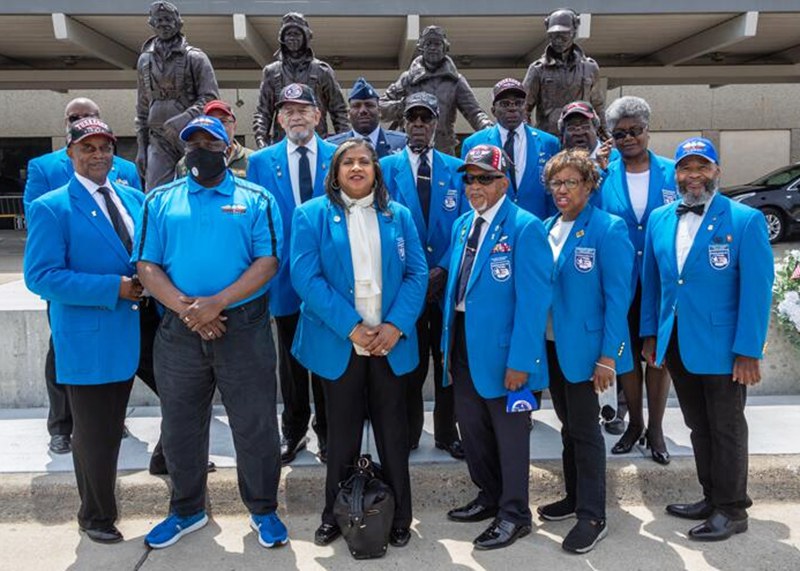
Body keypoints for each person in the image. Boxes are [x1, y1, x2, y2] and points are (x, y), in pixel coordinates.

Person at [134, 116, 287, 549]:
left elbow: (268, 262)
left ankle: (263, 508)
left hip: (243, 328)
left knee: (255, 424)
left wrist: (217, 304)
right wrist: (191, 311)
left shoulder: (256, 198)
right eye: (193, 141)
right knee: (181, 424)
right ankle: (187, 510)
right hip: (180, 330)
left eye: (211, 140)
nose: (201, 147)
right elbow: (147, 264)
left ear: (228, 147)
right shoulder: (159, 200)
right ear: (184, 150)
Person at [290, 139, 428, 548]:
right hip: (340, 342)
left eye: (364, 162)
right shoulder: (310, 215)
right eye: (347, 162)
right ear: (334, 173)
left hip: (390, 343)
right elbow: (306, 278)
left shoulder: (398, 215)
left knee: (392, 433)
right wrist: (351, 328)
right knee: (341, 435)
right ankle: (336, 514)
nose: (356, 168)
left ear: (376, 171)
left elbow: (417, 275)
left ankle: (400, 515)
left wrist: (396, 326)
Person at [641, 137, 773, 541]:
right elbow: (654, 283)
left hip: (724, 347)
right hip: (677, 341)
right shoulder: (661, 218)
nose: (693, 175)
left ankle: (733, 510)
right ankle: (711, 496)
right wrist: (650, 334)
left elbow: (757, 289)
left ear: (717, 171)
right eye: (685, 167)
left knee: (726, 426)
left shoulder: (744, 220)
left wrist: (748, 350)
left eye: (702, 167)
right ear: (676, 173)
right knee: (698, 425)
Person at [24, 118, 146, 544]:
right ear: (71, 153)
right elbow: (41, 276)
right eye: (88, 148)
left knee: (187, 399)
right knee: (97, 436)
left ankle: (170, 467)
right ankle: (95, 515)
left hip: (142, 328)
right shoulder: (51, 206)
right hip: (91, 336)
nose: (98, 155)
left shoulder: (134, 198)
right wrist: (115, 288)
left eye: (105, 147)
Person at [441, 144, 551, 551]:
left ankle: (515, 513)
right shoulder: (462, 225)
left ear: (504, 181)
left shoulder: (525, 227)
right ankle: (489, 494)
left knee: (509, 437)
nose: (475, 185)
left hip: (507, 353)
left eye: (485, 177)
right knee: (471, 430)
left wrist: (522, 360)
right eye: (469, 178)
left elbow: (534, 301)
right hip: (463, 344)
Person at [537, 148, 634, 554]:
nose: (562, 190)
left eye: (570, 182)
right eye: (556, 183)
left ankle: (593, 515)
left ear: (590, 185)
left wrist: (608, 356)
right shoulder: (546, 227)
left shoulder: (608, 229)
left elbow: (618, 298)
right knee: (568, 425)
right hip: (553, 347)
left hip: (590, 352)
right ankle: (574, 496)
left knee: (586, 431)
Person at [248, 83, 337, 464]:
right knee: (291, 359)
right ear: (279, 119)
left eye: (304, 109)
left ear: (318, 116)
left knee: (331, 357)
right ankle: (295, 429)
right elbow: (257, 220)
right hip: (283, 277)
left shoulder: (340, 156)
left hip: (332, 276)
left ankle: (331, 432)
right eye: (288, 110)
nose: (296, 116)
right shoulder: (261, 162)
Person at [380, 92, 465, 458]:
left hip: (446, 283)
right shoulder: (385, 168)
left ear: (436, 124)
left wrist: (443, 267)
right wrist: (417, 273)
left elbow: (464, 224)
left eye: (426, 119)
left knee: (447, 360)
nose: (418, 125)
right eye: (412, 118)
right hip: (405, 285)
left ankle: (447, 433)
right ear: (403, 123)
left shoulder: (455, 168)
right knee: (408, 364)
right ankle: (409, 432)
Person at [599, 96, 677, 464]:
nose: (628, 138)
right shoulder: (603, 175)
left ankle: (657, 429)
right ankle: (634, 424)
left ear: (648, 130)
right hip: (620, 281)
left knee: (657, 355)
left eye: (635, 131)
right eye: (619, 133)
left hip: (661, 280)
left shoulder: (674, 171)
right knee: (625, 353)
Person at [135, 1, 219, 191]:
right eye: (158, 20)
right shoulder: (144, 60)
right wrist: (141, 147)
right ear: (151, 24)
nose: (163, 24)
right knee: (155, 191)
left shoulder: (196, 58)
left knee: (201, 185)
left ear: (178, 23)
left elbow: (210, 99)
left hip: (192, 136)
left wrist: (182, 120)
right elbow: (141, 108)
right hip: (158, 138)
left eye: (167, 20)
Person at [380, 26, 492, 156]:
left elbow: (474, 113)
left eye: (437, 43)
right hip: (411, 147)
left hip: (443, 149)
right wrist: (402, 106)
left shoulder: (456, 81)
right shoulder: (408, 78)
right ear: (421, 48)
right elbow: (381, 108)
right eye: (428, 43)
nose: (433, 47)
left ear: (445, 48)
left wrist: (489, 130)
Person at [461, 78, 560, 219]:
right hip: (492, 226)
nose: (512, 108)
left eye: (518, 103)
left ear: (525, 108)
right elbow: (467, 191)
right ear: (493, 110)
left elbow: (555, 190)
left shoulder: (549, 143)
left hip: (538, 226)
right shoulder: (473, 144)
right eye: (505, 103)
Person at [253, 12, 349, 148]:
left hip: (318, 146)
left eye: (297, 34)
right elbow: (263, 112)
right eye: (288, 34)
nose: (292, 38)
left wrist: (343, 144)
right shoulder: (272, 72)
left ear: (306, 37)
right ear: (282, 38)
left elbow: (339, 111)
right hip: (282, 147)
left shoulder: (322, 70)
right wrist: (261, 141)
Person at [523, 9, 606, 137]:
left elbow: (598, 105)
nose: (558, 40)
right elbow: (524, 107)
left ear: (573, 32)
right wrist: (529, 136)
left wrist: (605, 132)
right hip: (550, 139)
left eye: (564, 35)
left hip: (581, 137)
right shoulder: (538, 69)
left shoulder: (590, 67)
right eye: (554, 35)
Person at [327, 77, 407, 158]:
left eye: (369, 105)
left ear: (379, 111)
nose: (363, 110)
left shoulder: (402, 143)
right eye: (356, 106)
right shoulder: (332, 147)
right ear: (348, 114)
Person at [176, 99, 253, 179]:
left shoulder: (252, 160)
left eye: (223, 121)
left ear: (234, 125)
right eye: (211, 121)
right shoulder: (185, 164)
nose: (218, 126)